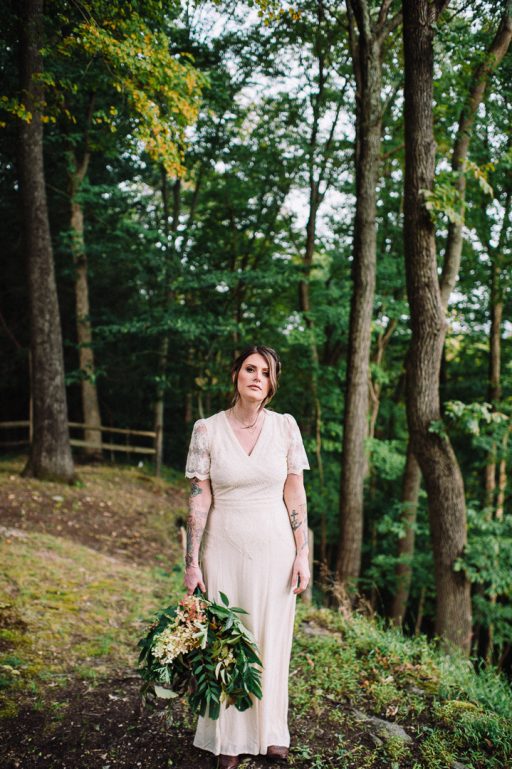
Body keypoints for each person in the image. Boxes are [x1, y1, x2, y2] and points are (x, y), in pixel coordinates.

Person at [183, 344, 310, 769]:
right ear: (236, 374)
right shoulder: (208, 429)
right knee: (227, 642)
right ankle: (230, 737)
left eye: (267, 372)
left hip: (276, 549)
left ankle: (272, 731)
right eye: (250, 368)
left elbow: (294, 491)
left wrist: (302, 553)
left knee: (271, 641)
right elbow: (199, 497)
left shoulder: (286, 427)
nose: (258, 376)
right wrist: (192, 561)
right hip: (224, 547)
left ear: (272, 384)